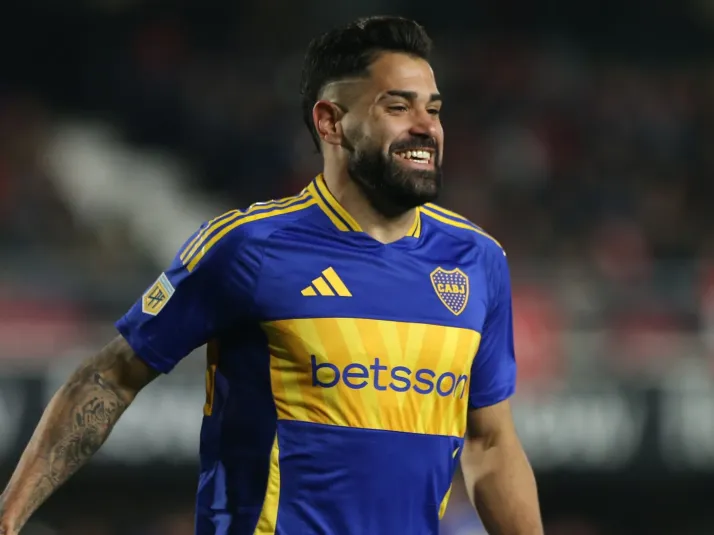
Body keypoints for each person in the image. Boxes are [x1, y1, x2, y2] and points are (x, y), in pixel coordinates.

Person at [0, 15, 543, 535]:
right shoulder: (250, 247)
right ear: (330, 121)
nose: (426, 126)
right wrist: (10, 515)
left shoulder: (477, 261)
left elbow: (490, 443)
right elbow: (112, 375)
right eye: (398, 107)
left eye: (434, 109)